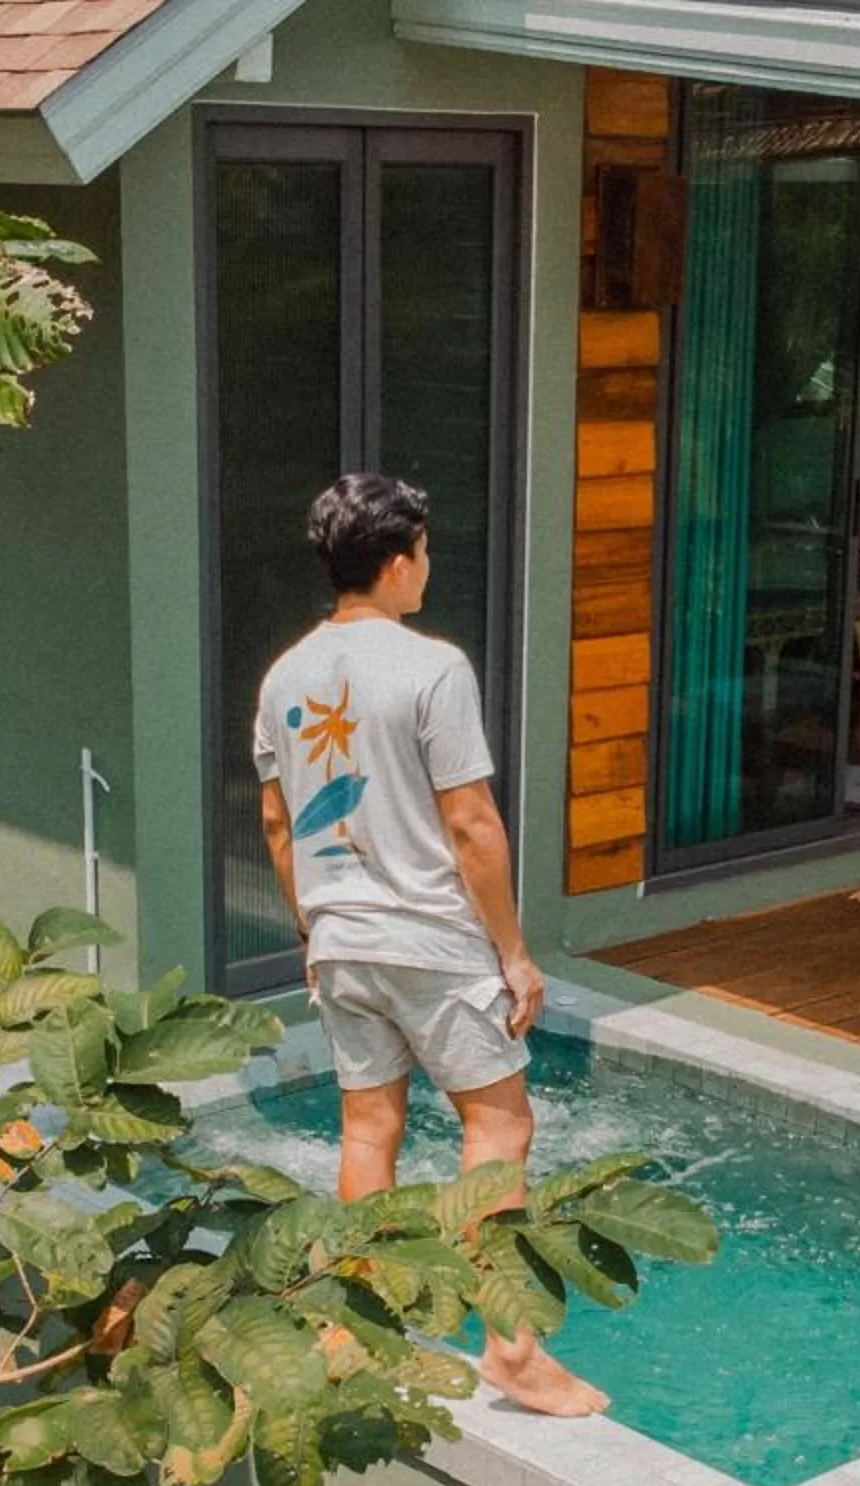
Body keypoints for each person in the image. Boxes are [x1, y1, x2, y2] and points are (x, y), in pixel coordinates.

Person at [253, 473, 605, 1418]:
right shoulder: (434, 668)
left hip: (339, 939)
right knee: (500, 1126)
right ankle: (512, 1348)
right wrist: (514, 952)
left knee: (370, 1128)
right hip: (431, 939)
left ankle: (350, 1328)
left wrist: (311, 928)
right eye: (424, 551)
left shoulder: (283, 677)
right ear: (398, 560)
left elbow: (279, 824)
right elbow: (472, 822)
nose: (429, 566)